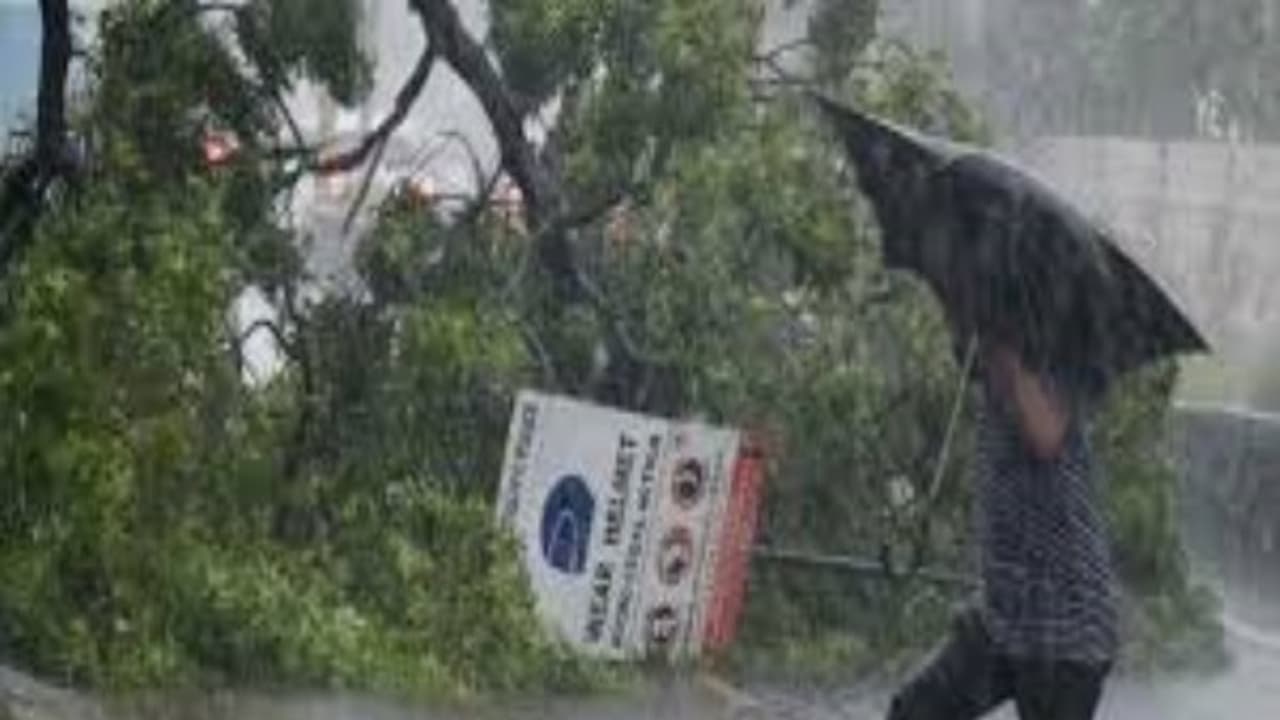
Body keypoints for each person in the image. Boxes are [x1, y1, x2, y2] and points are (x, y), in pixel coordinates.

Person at [886, 336, 1118, 720]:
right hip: (1002, 614)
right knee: (914, 711)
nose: (964, 333)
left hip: (1064, 627)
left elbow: (1046, 436)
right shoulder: (992, 381)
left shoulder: (1059, 362)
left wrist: (1008, 353)